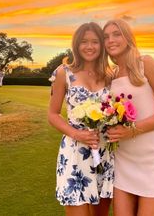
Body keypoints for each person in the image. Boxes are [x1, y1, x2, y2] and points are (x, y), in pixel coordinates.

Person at [103, 19, 154, 216]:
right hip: (123, 161)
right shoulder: (110, 75)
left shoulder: (145, 63)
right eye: (106, 36)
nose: (110, 40)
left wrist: (132, 130)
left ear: (128, 37)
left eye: (116, 34)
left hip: (151, 160)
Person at [48, 22, 114, 216]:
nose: (89, 46)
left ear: (102, 45)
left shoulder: (111, 76)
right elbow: (52, 114)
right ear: (76, 44)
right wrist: (77, 134)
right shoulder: (64, 73)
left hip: (104, 153)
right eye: (84, 41)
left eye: (95, 41)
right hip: (74, 153)